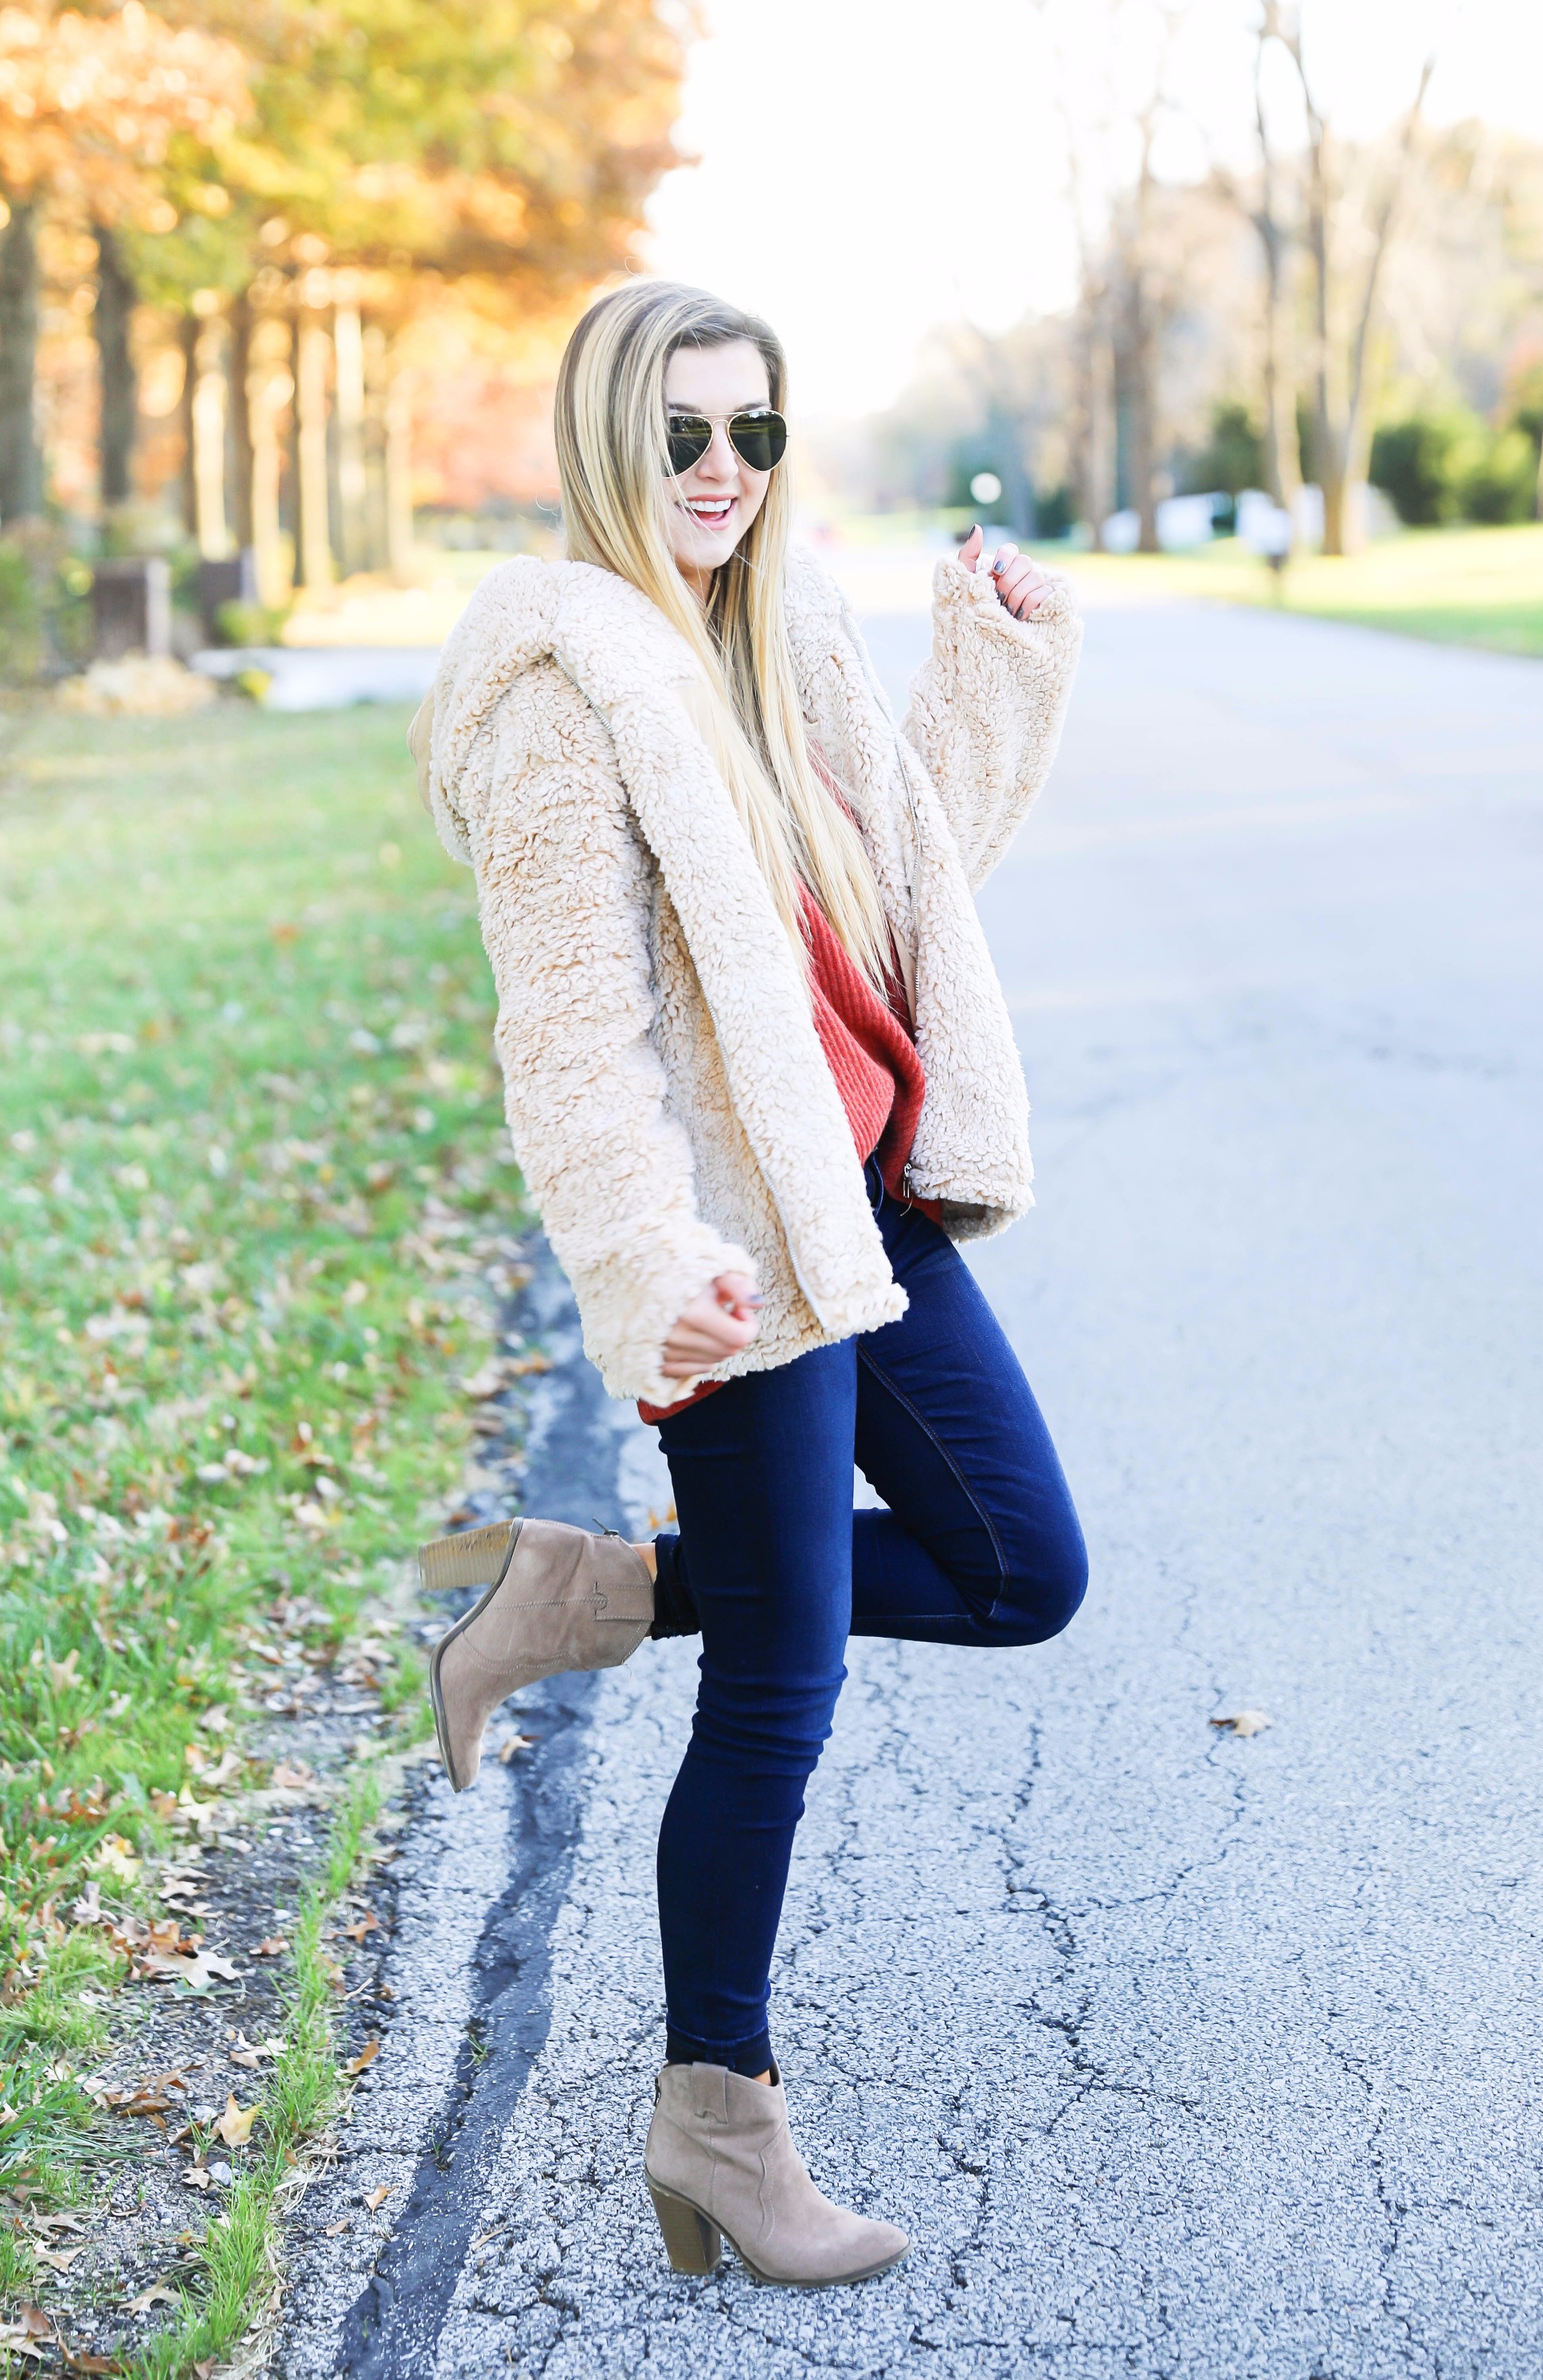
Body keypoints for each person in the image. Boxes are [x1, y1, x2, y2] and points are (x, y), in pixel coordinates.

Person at [411, 279, 1087, 2290]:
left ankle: (598, 1591)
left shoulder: (780, 640)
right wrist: (649, 1259)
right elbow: (569, 1035)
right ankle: (720, 2123)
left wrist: (995, 669)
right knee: (780, 1690)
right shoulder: (560, 697)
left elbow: (907, 880)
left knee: (1017, 1570)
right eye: (684, 434)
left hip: (857, 1201)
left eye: (755, 433)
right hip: (728, 1246)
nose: (722, 471)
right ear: (609, 441)